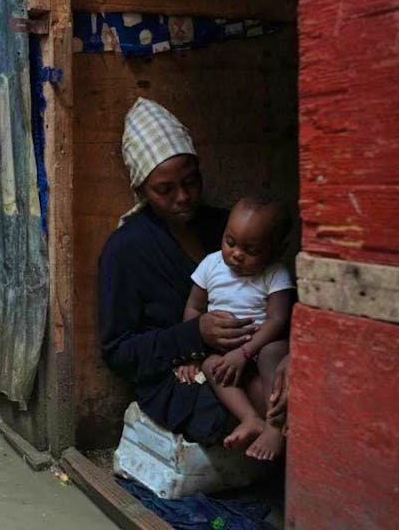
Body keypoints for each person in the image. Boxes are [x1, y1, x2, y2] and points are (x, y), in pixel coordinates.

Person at [98, 98, 259, 446]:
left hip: (250, 354)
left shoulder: (226, 228)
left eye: (191, 182)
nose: (183, 197)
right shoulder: (126, 249)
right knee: (246, 400)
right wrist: (193, 334)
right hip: (176, 378)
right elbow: (118, 353)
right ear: (140, 189)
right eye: (164, 190)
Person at [181, 195, 293, 461]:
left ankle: (275, 427)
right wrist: (192, 353)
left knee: (273, 354)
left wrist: (245, 352)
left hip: (259, 347)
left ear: (276, 250)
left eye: (251, 250)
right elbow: (193, 310)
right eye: (230, 242)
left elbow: (278, 321)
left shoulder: (275, 274)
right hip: (224, 351)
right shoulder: (211, 264)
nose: (237, 254)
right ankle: (251, 419)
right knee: (210, 366)